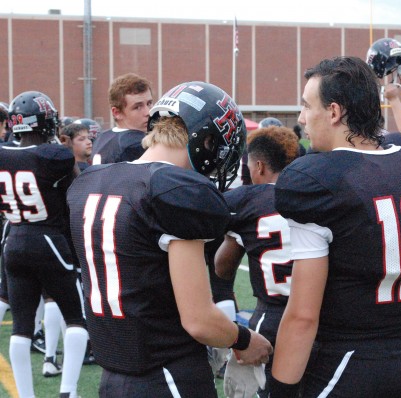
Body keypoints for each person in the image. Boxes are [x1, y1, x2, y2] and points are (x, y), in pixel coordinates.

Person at [67, 81, 272, 398]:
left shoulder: (92, 181)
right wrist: (244, 340)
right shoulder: (173, 189)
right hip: (168, 374)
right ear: (206, 139)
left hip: (112, 376)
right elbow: (199, 320)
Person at [268, 56, 401, 398]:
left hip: (344, 368)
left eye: (307, 106)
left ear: (335, 112)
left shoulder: (321, 180)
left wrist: (278, 392)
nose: (301, 118)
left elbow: (302, 318)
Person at [1, 91, 89, 398]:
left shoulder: (3, 154)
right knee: (76, 317)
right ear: (46, 122)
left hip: (13, 241)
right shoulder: (55, 157)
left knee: (21, 327)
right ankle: (68, 391)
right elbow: (74, 190)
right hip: (49, 240)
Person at [215, 125, 299, 398]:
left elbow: (222, 268)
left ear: (259, 166)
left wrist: (236, 236)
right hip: (322, 315)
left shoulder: (246, 201)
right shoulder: (315, 194)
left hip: (272, 316)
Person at [91, 72, 153, 165]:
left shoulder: (102, 137)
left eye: (149, 103)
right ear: (117, 112)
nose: (148, 112)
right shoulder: (136, 144)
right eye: (137, 107)